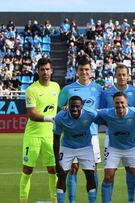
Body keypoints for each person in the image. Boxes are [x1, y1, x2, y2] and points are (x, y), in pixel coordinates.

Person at [58, 57, 103, 202]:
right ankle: (71, 200)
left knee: (92, 170)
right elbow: (60, 107)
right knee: (73, 169)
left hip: (92, 134)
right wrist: (64, 107)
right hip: (72, 135)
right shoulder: (68, 89)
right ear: (77, 71)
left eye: (87, 70)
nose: (84, 72)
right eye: (81, 69)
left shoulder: (98, 88)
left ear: (91, 72)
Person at [19, 58, 60, 203]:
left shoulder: (56, 87)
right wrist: (52, 118)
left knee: (53, 170)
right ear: (38, 71)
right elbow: (32, 114)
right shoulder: (32, 90)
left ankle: (54, 200)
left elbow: (59, 106)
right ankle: (23, 200)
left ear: (52, 70)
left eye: (47, 69)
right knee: (27, 170)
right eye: (42, 69)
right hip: (33, 136)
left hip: (50, 136)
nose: (45, 72)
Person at [96, 92, 135, 203]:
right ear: (113, 104)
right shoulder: (107, 113)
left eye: (122, 102)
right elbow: (92, 113)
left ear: (127, 103)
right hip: (114, 148)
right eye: (117, 103)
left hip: (131, 148)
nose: (120, 105)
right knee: (108, 177)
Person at [101, 64, 135, 203]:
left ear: (128, 76)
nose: (122, 77)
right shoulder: (106, 92)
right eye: (119, 74)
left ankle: (130, 200)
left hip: (130, 140)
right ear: (115, 76)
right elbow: (101, 114)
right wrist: (115, 126)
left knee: (131, 170)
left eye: (124, 74)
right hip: (111, 138)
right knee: (110, 173)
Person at [53, 96, 97, 203]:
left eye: (77, 106)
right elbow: (56, 140)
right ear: (68, 106)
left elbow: (105, 119)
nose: (75, 109)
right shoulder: (60, 117)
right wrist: (57, 162)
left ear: (82, 106)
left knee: (90, 175)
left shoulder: (91, 114)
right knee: (61, 175)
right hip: (67, 146)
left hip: (85, 146)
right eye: (72, 106)